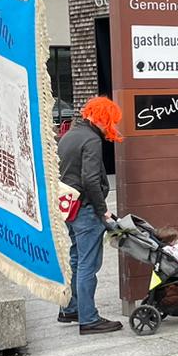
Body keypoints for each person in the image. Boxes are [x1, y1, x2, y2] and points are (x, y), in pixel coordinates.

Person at [55, 97, 123, 334]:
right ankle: (89, 318)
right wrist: (103, 210)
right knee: (88, 264)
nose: (110, 126)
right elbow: (91, 180)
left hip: (69, 208)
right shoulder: (92, 140)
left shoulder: (69, 136)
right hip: (85, 209)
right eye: (110, 121)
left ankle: (70, 308)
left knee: (76, 259)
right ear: (103, 118)